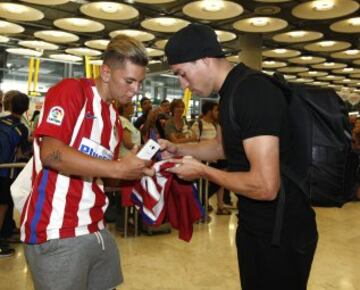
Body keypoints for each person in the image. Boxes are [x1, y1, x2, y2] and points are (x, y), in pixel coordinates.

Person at [161, 23, 318, 290]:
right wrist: (180, 150)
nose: (183, 85)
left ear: (204, 59)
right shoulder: (230, 94)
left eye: (183, 74)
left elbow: (266, 186)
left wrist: (204, 172)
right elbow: (223, 147)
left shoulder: (252, 92)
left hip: (281, 233)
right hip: (255, 225)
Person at [20, 34, 154, 290]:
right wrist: (118, 167)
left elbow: (106, 176)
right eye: (129, 81)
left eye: (139, 82)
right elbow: (51, 154)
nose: (136, 90)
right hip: (57, 230)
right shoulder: (72, 91)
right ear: (105, 72)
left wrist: (137, 170)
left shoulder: (114, 118)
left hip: (97, 228)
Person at [0, 92, 32, 257]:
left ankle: (7, 231)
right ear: (26, 108)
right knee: (3, 205)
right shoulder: (21, 127)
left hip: (4, 167)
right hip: (7, 170)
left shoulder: (1, 121)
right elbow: (22, 153)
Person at [191, 101, 231, 215]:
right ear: (209, 111)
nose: (218, 112)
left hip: (216, 159)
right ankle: (202, 204)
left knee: (221, 181)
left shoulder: (215, 125)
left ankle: (220, 205)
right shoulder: (198, 124)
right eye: (215, 110)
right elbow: (195, 142)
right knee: (208, 184)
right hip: (204, 160)